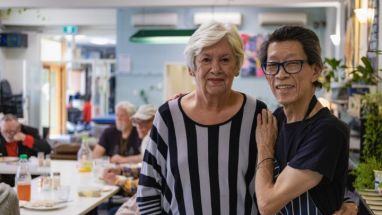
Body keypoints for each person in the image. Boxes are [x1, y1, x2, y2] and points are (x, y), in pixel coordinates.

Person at [137, 21, 267, 214]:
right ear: (191, 68)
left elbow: (270, 189)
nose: (215, 69)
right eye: (206, 60)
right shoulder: (168, 117)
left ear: (237, 67)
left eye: (225, 60)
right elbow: (148, 192)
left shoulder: (257, 114)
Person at [255, 25, 351, 215]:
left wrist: (265, 149)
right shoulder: (276, 119)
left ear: (315, 70)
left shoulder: (328, 131)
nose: (280, 75)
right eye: (272, 65)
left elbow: (267, 204)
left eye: (292, 64)